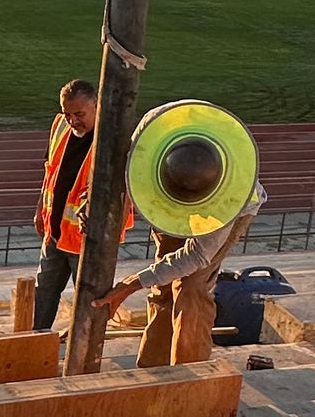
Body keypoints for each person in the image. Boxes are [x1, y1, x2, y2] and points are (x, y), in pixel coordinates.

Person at [95, 139, 267, 366]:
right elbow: (122, 175)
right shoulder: (149, 138)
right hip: (167, 197)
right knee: (163, 285)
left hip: (225, 208)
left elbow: (196, 256)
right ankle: (152, 366)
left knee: (190, 287)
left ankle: (187, 374)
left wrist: (131, 284)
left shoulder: (229, 199)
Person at [32, 78, 98, 329]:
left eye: (79, 114)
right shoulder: (60, 126)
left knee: (87, 299)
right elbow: (50, 170)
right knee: (44, 289)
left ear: (96, 106)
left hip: (85, 241)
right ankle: (38, 340)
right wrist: (40, 207)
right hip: (55, 231)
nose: (72, 121)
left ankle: (84, 350)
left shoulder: (110, 140)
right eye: (67, 113)